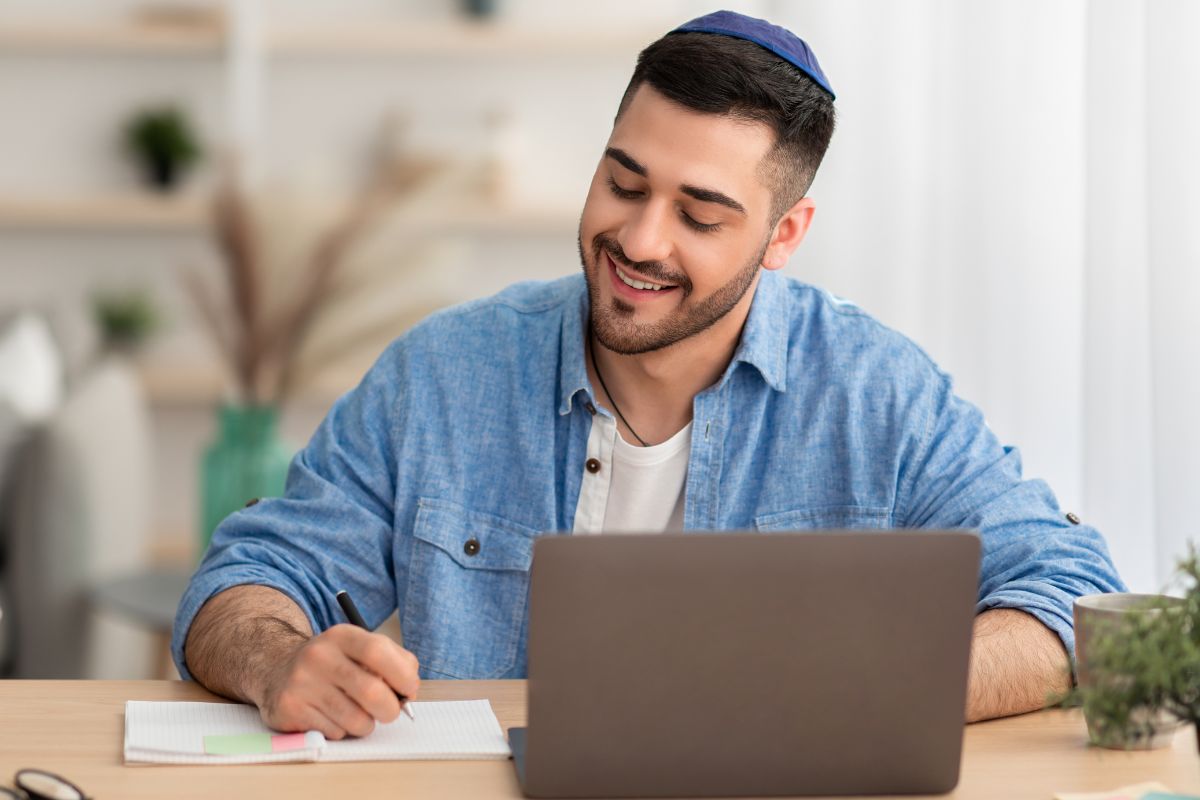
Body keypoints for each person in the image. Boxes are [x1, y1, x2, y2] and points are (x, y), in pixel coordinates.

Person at [173, 11, 1125, 740]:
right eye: (624, 183)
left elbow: (1072, 598)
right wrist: (279, 662)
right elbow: (247, 578)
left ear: (783, 235)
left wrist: (853, 690)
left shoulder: (876, 392)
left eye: (700, 214)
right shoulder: (442, 373)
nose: (638, 239)